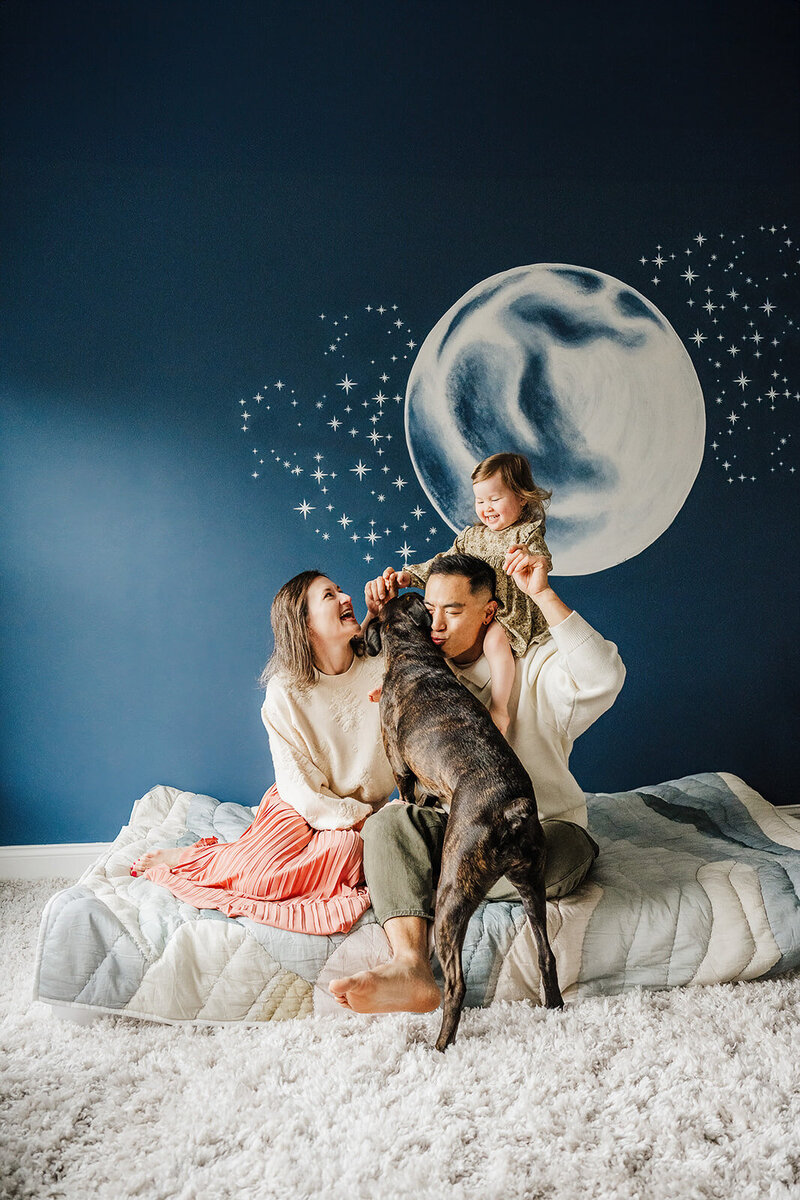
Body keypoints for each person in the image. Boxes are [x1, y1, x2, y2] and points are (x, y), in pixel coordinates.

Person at [329, 550, 626, 1013]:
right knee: (386, 828)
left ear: (489, 612)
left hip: (539, 831)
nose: (437, 623)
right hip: (458, 835)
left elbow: (605, 675)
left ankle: (445, 884)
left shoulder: (533, 669)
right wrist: (378, 616)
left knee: (561, 852)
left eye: (453, 609)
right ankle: (411, 967)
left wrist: (542, 594)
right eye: (429, 610)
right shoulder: (418, 676)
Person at [130, 571, 396, 935]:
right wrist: (355, 819)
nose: (346, 596)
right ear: (303, 625)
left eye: (339, 590)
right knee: (264, 877)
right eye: (329, 595)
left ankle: (227, 857)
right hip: (299, 804)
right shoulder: (284, 692)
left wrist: (379, 615)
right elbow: (299, 787)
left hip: (362, 813)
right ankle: (199, 859)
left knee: (345, 853)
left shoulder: (384, 669)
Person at [388, 452, 553, 736]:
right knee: (430, 640)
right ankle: (400, 685)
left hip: (504, 615)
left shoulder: (526, 533)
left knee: (496, 643)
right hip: (471, 614)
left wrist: (528, 555)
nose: (486, 508)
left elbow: (541, 557)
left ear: (522, 497)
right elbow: (443, 564)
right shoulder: (471, 536)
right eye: (480, 501)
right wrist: (410, 575)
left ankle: (500, 708)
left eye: (495, 499)